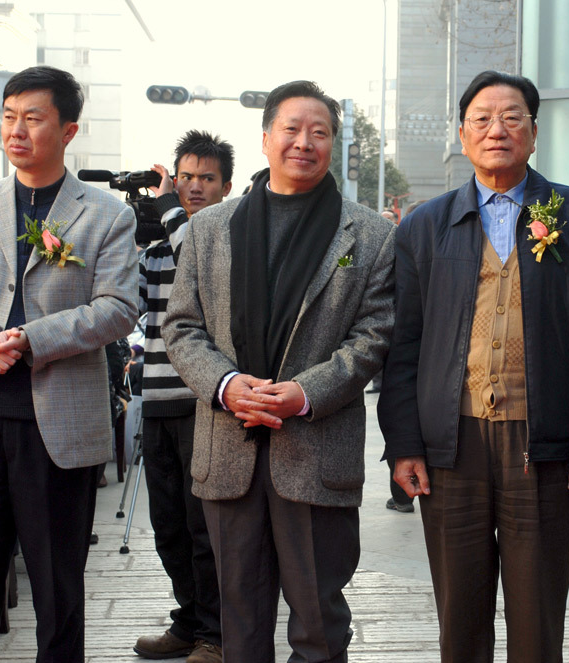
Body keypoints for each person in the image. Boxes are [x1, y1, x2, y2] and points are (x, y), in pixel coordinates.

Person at [378, 70, 569, 663]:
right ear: (462, 135)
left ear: (534, 133)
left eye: (512, 117)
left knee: (537, 615)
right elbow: (403, 345)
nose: (497, 130)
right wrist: (404, 442)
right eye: (482, 119)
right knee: (460, 612)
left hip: (546, 443)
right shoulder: (425, 226)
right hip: (450, 446)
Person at [162, 80, 394, 663]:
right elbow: (181, 326)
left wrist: (303, 393)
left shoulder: (369, 233)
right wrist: (225, 385)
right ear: (266, 138)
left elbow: (374, 335)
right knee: (239, 621)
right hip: (228, 450)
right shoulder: (212, 227)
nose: (304, 142)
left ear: (333, 145)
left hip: (316, 449)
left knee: (319, 624)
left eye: (319, 132)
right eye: (291, 129)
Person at [0, 65, 138, 662]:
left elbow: (119, 307)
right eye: (9, 118)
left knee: (58, 594)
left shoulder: (106, 214)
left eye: (32, 118)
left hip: (58, 430)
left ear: (68, 130)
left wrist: (32, 338)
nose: (16, 130)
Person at [134, 130, 233, 663]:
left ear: (226, 187)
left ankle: (216, 636)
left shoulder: (226, 238)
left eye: (206, 179)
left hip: (204, 404)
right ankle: (189, 621)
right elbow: (135, 312)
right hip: (156, 401)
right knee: (168, 526)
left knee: (203, 528)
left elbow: (196, 269)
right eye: (186, 177)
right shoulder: (157, 247)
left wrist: (169, 207)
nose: (194, 187)